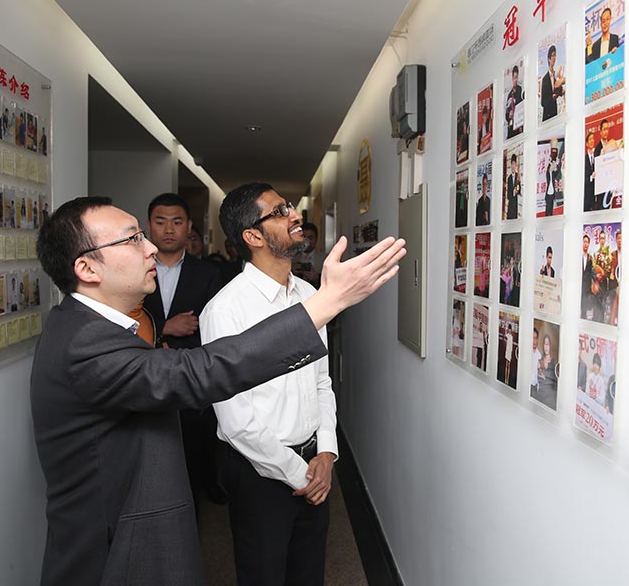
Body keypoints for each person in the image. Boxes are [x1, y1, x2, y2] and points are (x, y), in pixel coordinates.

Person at [30, 196, 405, 586]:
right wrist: (329, 301)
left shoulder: (90, 328)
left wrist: (324, 451)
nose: (152, 247)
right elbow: (201, 372)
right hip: (118, 555)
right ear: (87, 267)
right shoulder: (83, 342)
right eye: (133, 239)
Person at [201, 183, 338, 585]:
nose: (295, 215)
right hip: (259, 473)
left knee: (308, 572)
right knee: (263, 574)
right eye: (280, 212)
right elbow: (235, 421)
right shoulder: (226, 310)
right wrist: (300, 475)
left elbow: (322, 380)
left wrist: (326, 454)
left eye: (290, 207)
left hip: (315, 465)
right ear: (253, 236)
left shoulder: (310, 295)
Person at [142, 193, 225, 512]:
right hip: (146, 372)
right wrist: (165, 328)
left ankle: (202, 488)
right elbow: (125, 322)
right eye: (160, 222)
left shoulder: (207, 274)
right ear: (149, 226)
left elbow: (216, 329)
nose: (168, 229)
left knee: (196, 440)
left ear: (189, 227)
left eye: (177, 222)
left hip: (192, 372)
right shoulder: (134, 270)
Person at [292, 222, 325, 289]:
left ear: (316, 239)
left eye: (310, 238)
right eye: (304, 237)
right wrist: (291, 272)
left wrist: (318, 278)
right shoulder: (291, 259)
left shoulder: (325, 259)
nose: (307, 241)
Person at [540, 45, 565, 121]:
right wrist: (552, 97)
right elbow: (543, 102)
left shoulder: (556, 75)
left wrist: (561, 91)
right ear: (548, 59)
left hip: (554, 114)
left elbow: (559, 90)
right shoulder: (545, 79)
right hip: (547, 116)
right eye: (552, 55)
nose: (554, 58)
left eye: (555, 55)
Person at [505, 65, 524, 139]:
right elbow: (506, 115)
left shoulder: (520, 90)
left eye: (517, 77)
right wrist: (509, 116)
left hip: (518, 125)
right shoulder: (509, 94)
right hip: (511, 127)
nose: (515, 80)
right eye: (514, 77)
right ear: (512, 78)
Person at [580, 234, 596, 321]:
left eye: (587, 242)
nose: (586, 244)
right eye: (584, 242)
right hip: (578, 286)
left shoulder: (590, 258)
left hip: (586, 288)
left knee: (584, 309)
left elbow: (591, 273)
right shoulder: (578, 256)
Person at [545, 139, 562, 216]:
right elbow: (549, 170)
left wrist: (557, 164)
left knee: (551, 209)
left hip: (552, 193)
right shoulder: (548, 172)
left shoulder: (553, 172)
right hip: (548, 193)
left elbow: (557, 172)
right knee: (547, 209)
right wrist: (551, 166)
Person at [504, 153, 521, 220]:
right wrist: (513, 192)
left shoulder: (518, 176)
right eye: (512, 164)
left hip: (515, 203)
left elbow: (519, 189)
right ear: (510, 165)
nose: (513, 166)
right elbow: (508, 195)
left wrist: (517, 190)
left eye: (514, 164)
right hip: (510, 203)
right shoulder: (509, 178)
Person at [583, 131, 597, 212]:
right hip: (586, 197)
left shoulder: (597, 157)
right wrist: (591, 177)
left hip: (595, 196)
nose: (592, 141)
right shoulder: (584, 160)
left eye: (593, 139)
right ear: (587, 143)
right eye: (590, 139)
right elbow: (583, 179)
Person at [530, 327, 541, 391]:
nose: (534, 341)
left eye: (536, 338)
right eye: (533, 338)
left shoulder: (539, 355)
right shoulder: (527, 353)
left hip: (534, 387)